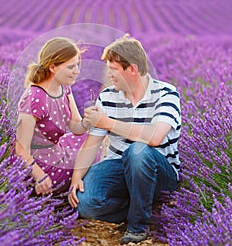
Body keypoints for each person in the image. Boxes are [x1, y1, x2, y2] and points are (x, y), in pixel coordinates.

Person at [68, 34, 181, 244]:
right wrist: (76, 178)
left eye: (113, 69)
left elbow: (155, 138)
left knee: (138, 151)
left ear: (132, 70)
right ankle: (144, 206)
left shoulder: (166, 93)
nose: (108, 75)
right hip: (118, 166)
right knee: (86, 204)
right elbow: (92, 143)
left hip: (158, 170)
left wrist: (108, 122)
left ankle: (138, 226)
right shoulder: (108, 97)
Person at [15, 37, 92, 196]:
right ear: (53, 67)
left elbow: (77, 128)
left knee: (93, 141)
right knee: (93, 155)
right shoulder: (34, 98)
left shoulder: (64, 88)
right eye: (71, 67)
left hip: (57, 151)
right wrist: (40, 176)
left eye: (77, 65)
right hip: (41, 165)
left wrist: (90, 121)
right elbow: (21, 149)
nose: (77, 71)